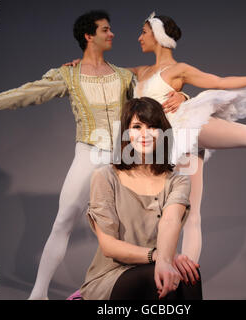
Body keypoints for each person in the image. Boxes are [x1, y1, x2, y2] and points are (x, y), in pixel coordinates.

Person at [65, 12, 246, 267]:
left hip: (187, 125)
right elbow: (107, 73)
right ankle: (186, 276)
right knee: (190, 212)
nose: (139, 37)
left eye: (144, 32)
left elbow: (219, 81)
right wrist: (83, 62)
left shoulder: (178, 69)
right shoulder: (139, 71)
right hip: (169, 139)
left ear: (159, 36)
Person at [0, 10, 188, 300]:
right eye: (105, 29)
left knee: (131, 228)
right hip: (89, 154)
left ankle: (116, 288)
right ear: (88, 36)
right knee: (63, 222)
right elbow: (25, 93)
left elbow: (152, 101)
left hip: (124, 160)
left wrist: (183, 96)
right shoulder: (68, 74)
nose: (112, 34)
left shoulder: (123, 75)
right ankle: (39, 295)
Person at [79, 97, 202, 300]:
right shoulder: (105, 177)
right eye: (137, 126)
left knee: (189, 275)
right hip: (111, 276)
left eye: (152, 126)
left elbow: (170, 221)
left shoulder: (178, 181)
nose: (144, 134)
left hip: (158, 264)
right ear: (126, 133)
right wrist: (160, 258)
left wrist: (166, 260)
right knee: (156, 277)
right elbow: (109, 246)